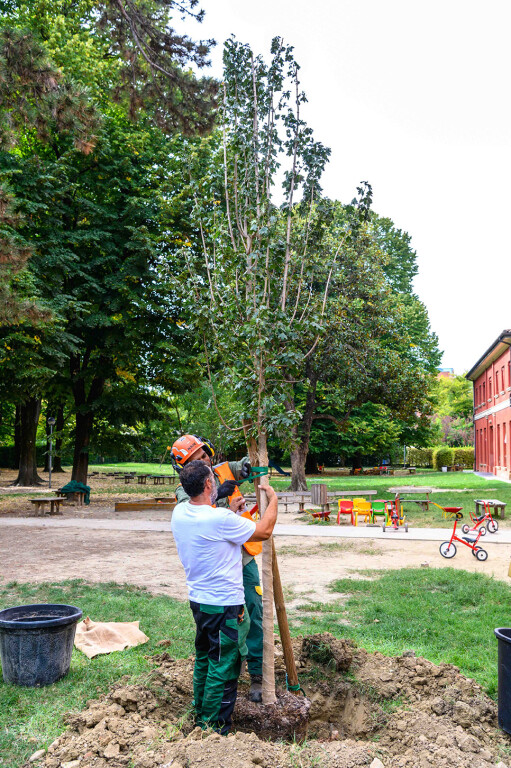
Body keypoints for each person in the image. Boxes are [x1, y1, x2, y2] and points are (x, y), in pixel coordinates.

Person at [171, 460, 278, 734]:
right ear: (208, 484)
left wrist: (230, 510)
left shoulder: (180, 512)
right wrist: (273, 500)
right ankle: (214, 727)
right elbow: (264, 531)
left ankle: (200, 714)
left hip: (200, 603)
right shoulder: (219, 520)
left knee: (205, 659)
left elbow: (210, 517)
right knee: (225, 667)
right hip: (224, 608)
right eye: (213, 480)